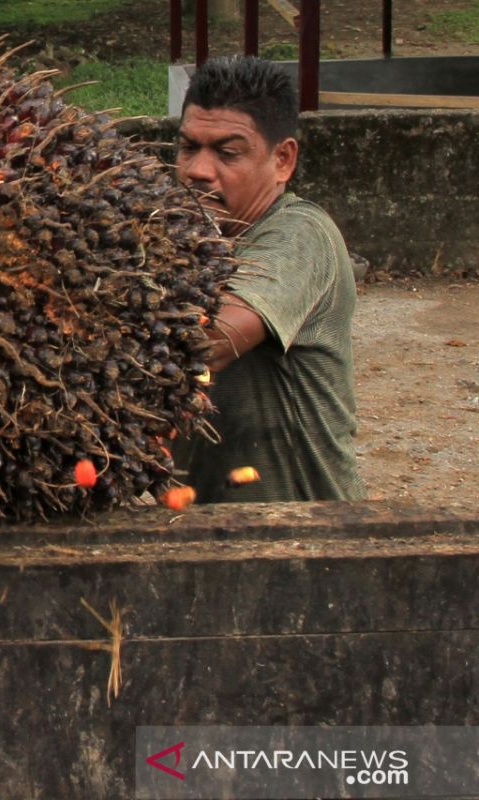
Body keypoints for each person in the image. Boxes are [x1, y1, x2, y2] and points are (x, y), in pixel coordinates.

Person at [172, 55, 367, 503]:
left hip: (308, 543)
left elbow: (206, 341)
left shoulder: (300, 235)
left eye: (227, 152)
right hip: (204, 540)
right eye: (187, 148)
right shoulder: (183, 240)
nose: (197, 171)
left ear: (282, 160)